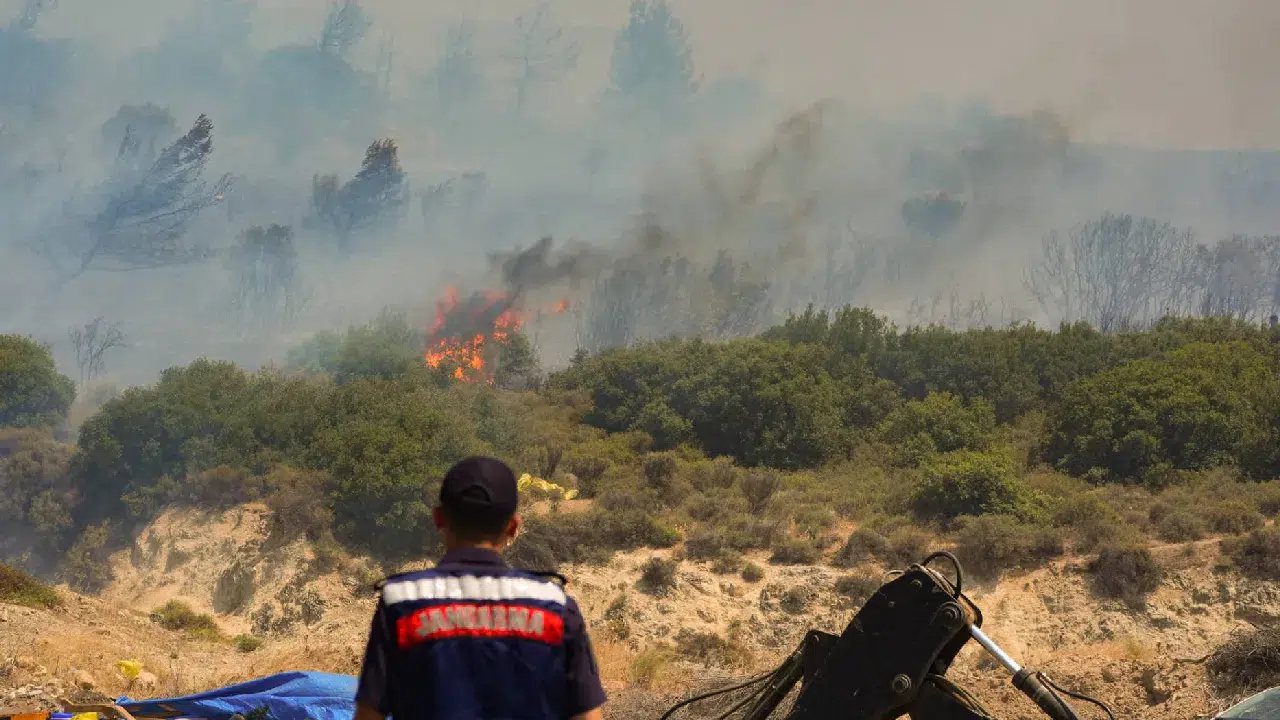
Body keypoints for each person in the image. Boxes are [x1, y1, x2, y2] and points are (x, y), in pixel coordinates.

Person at [354, 456, 607, 720]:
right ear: (513, 527)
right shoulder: (555, 606)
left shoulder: (400, 603)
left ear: (439, 518)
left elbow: (369, 715)